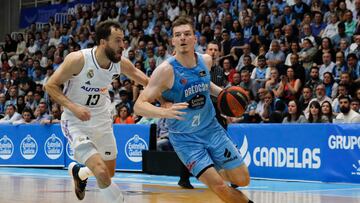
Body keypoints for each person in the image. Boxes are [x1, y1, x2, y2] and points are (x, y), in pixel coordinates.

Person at [134, 16, 252, 203]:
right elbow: (139, 105)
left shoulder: (205, 60)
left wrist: (224, 94)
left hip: (211, 129)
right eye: (178, 35)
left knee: (243, 179)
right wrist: (164, 111)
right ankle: (208, 173)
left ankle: (212, 169)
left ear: (195, 39)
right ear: (172, 41)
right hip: (185, 139)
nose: (182, 38)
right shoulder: (165, 71)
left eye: (187, 34)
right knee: (219, 187)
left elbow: (206, 84)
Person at [44, 20, 148, 202]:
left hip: (101, 118)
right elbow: (50, 85)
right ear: (103, 42)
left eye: (123, 40)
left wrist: (165, 97)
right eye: (117, 41)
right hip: (76, 120)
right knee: (101, 172)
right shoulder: (78, 60)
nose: (122, 45)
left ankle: (80, 173)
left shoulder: (119, 63)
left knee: (109, 171)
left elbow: (145, 80)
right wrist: (73, 107)